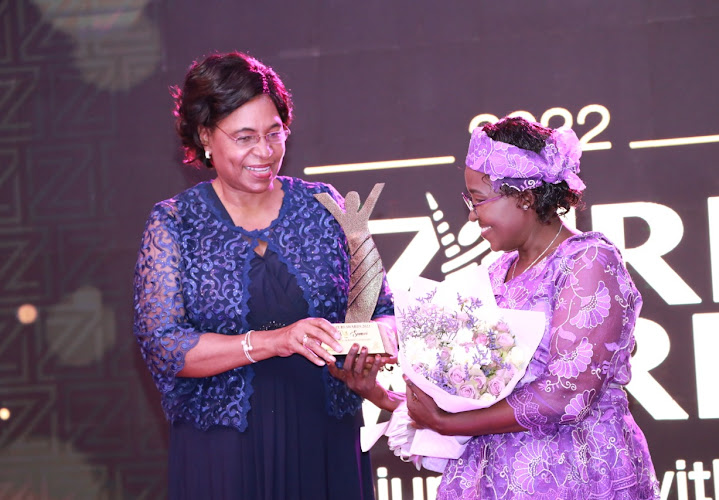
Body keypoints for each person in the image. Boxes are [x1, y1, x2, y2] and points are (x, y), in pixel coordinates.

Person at [132, 51, 399, 500]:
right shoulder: (176, 223)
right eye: (244, 137)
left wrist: (370, 348)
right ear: (205, 137)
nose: (265, 151)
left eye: (274, 133)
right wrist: (273, 341)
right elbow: (164, 346)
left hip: (325, 441)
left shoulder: (324, 206)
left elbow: (385, 313)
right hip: (222, 452)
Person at [403, 116, 661, 499]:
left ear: (523, 195)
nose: (472, 214)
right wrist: (381, 392)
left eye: (477, 199)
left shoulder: (588, 261)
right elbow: (465, 389)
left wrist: (449, 423)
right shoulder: (495, 273)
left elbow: (565, 397)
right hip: (490, 478)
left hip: (576, 475)